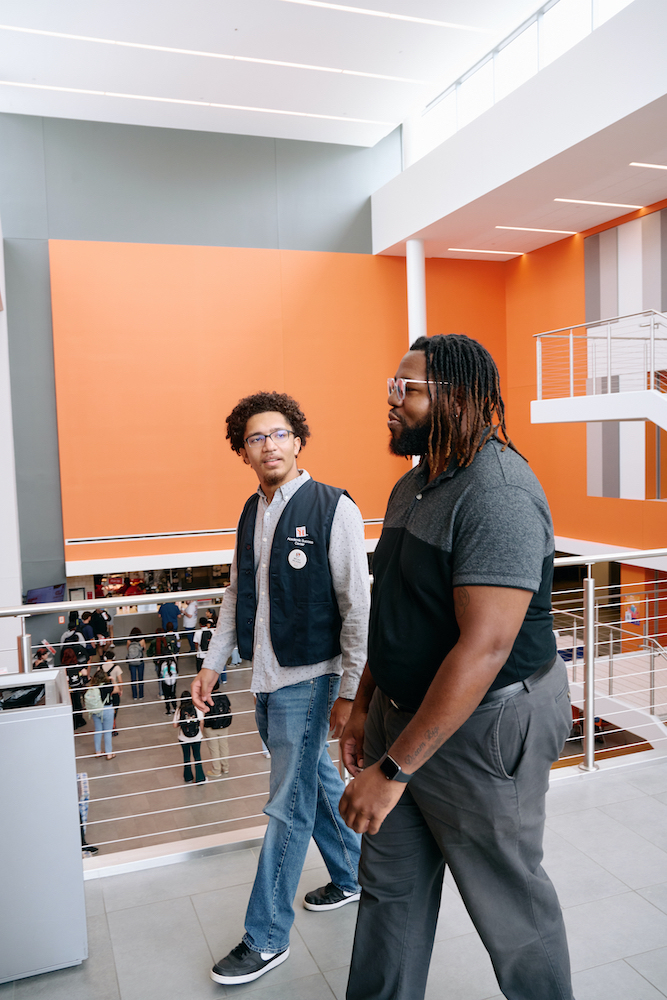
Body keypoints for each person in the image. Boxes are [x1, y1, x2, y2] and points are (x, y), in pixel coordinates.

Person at [339, 334, 574, 1000]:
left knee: (508, 904)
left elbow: (484, 648)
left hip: (485, 726)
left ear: (460, 399)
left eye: (407, 389)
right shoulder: (413, 484)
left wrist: (392, 771)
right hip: (399, 717)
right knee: (388, 891)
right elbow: (395, 608)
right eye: (392, 386)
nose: (391, 401)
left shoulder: (498, 493)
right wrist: (364, 704)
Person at [192, 390, 369, 987]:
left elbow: (358, 607)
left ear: (298, 440)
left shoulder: (334, 508)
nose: (268, 445)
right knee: (314, 782)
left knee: (287, 806)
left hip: (311, 680)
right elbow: (236, 594)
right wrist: (213, 665)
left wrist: (350, 691)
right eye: (255, 438)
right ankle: (353, 875)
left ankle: (266, 936)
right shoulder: (252, 511)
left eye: (278, 434)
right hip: (265, 678)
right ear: (243, 451)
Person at [173, 689, 206, 784]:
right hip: (196, 737)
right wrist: (200, 733)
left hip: (183, 738)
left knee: (186, 757)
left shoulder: (179, 710)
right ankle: (200, 778)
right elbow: (202, 722)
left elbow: (175, 725)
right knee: (197, 757)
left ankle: (188, 777)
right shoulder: (197, 708)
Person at [85, 668, 117, 760]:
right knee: (107, 732)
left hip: (95, 710)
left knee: (98, 731)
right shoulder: (107, 686)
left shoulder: (92, 687)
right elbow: (117, 690)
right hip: (107, 710)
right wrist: (113, 680)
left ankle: (98, 752)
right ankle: (109, 753)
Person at [202, 679, 232, 777]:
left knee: (214, 749)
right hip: (224, 725)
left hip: (210, 727)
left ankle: (216, 770)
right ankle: (225, 767)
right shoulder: (223, 696)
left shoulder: (206, 698)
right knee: (224, 746)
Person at [104, 649, 123, 736]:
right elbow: (120, 681)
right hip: (114, 690)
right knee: (115, 708)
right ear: (114, 658)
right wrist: (120, 690)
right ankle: (113, 726)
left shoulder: (100, 667)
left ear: (105, 658)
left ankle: (106, 726)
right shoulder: (116, 667)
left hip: (104, 691)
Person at [126, 626, 146, 699]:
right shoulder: (142, 640)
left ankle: (134, 696)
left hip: (132, 662)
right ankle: (141, 695)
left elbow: (128, 650)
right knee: (140, 679)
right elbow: (144, 649)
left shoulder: (129, 641)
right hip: (140, 661)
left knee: (133, 679)